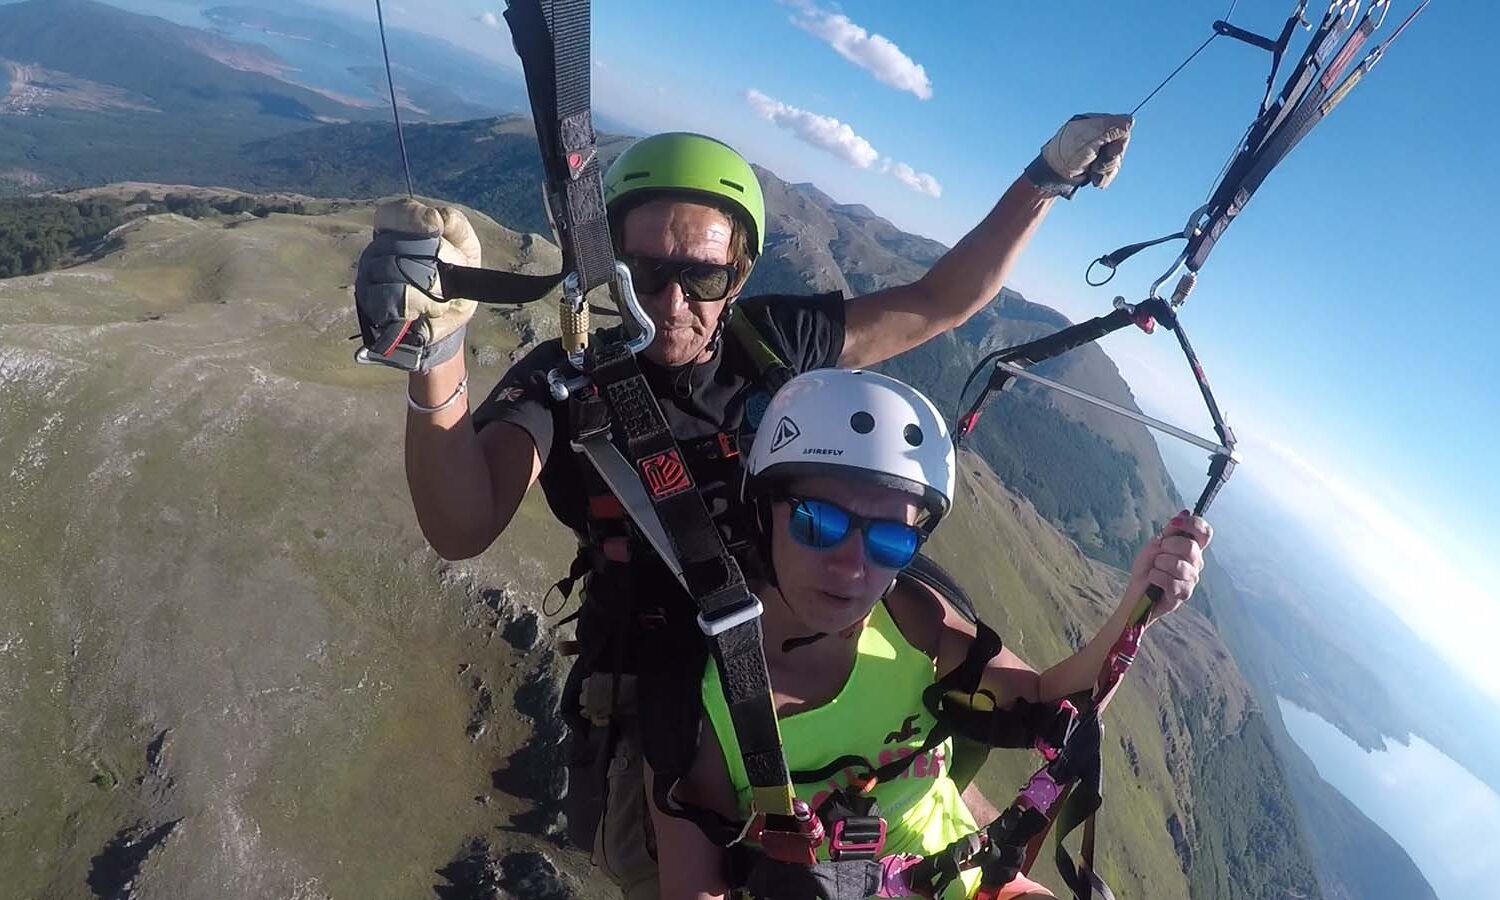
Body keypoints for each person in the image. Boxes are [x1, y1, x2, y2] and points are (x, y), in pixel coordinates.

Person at [353, 115, 1136, 898]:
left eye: (702, 277)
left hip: (824, 613)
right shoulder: (569, 381)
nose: (668, 301)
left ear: (740, 274)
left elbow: (938, 301)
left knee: (915, 773)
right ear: (608, 264)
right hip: (675, 683)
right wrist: (438, 354)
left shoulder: (770, 341)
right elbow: (462, 521)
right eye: (643, 269)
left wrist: (1045, 178)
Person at [646, 368, 1212, 900]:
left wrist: (1139, 609)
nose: (851, 567)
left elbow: (1047, 703)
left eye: (890, 541)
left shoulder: (914, 620)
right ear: (761, 512)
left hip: (965, 875)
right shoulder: (706, 698)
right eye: (817, 522)